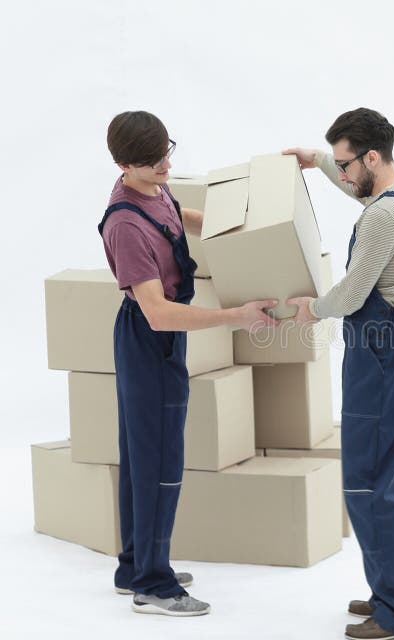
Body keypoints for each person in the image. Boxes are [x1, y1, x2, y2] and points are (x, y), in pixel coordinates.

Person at [100, 111, 276, 617]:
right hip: (149, 339)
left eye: (166, 154)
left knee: (140, 456)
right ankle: (153, 586)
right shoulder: (125, 224)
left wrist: (240, 226)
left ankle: (135, 564)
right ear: (122, 165)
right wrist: (235, 316)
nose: (166, 166)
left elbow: (181, 218)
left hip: (159, 337)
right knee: (159, 462)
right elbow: (157, 313)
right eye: (153, 163)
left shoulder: (153, 188)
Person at [284, 107, 394, 640]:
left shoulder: (383, 217)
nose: (344, 177)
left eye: (347, 165)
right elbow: (355, 188)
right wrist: (318, 161)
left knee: (369, 483)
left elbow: (351, 293)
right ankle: (393, 590)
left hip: (382, 356)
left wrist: (312, 309)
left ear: (372, 158)